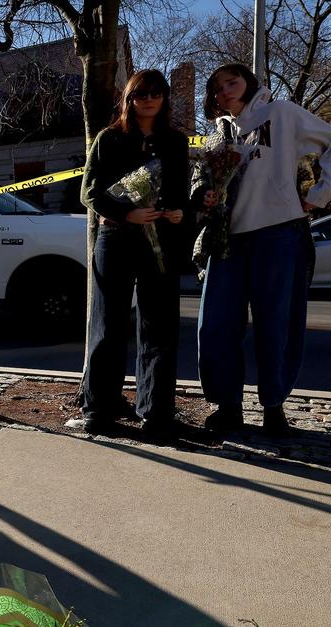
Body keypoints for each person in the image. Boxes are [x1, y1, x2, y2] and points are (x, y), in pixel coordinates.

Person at [195, 63, 331, 436]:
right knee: (216, 326)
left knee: (277, 325)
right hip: (229, 241)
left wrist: (318, 196)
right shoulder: (217, 136)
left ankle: (274, 407)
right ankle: (229, 406)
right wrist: (204, 195)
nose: (225, 91)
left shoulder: (282, 113)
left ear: (249, 82)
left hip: (279, 234)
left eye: (232, 82)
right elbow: (203, 181)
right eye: (218, 88)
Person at [75, 69, 191, 437]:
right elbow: (88, 192)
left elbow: (180, 190)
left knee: (159, 327)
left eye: (155, 93)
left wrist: (178, 211)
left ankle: (156, 412)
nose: (148, 99)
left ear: (164, 98)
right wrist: (125, 212)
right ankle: (100, 409)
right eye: (140, 94)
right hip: (117, 237)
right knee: (108, 324)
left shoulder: (175, 141)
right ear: (129, 99)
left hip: (161, 240)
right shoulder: (110, 138)